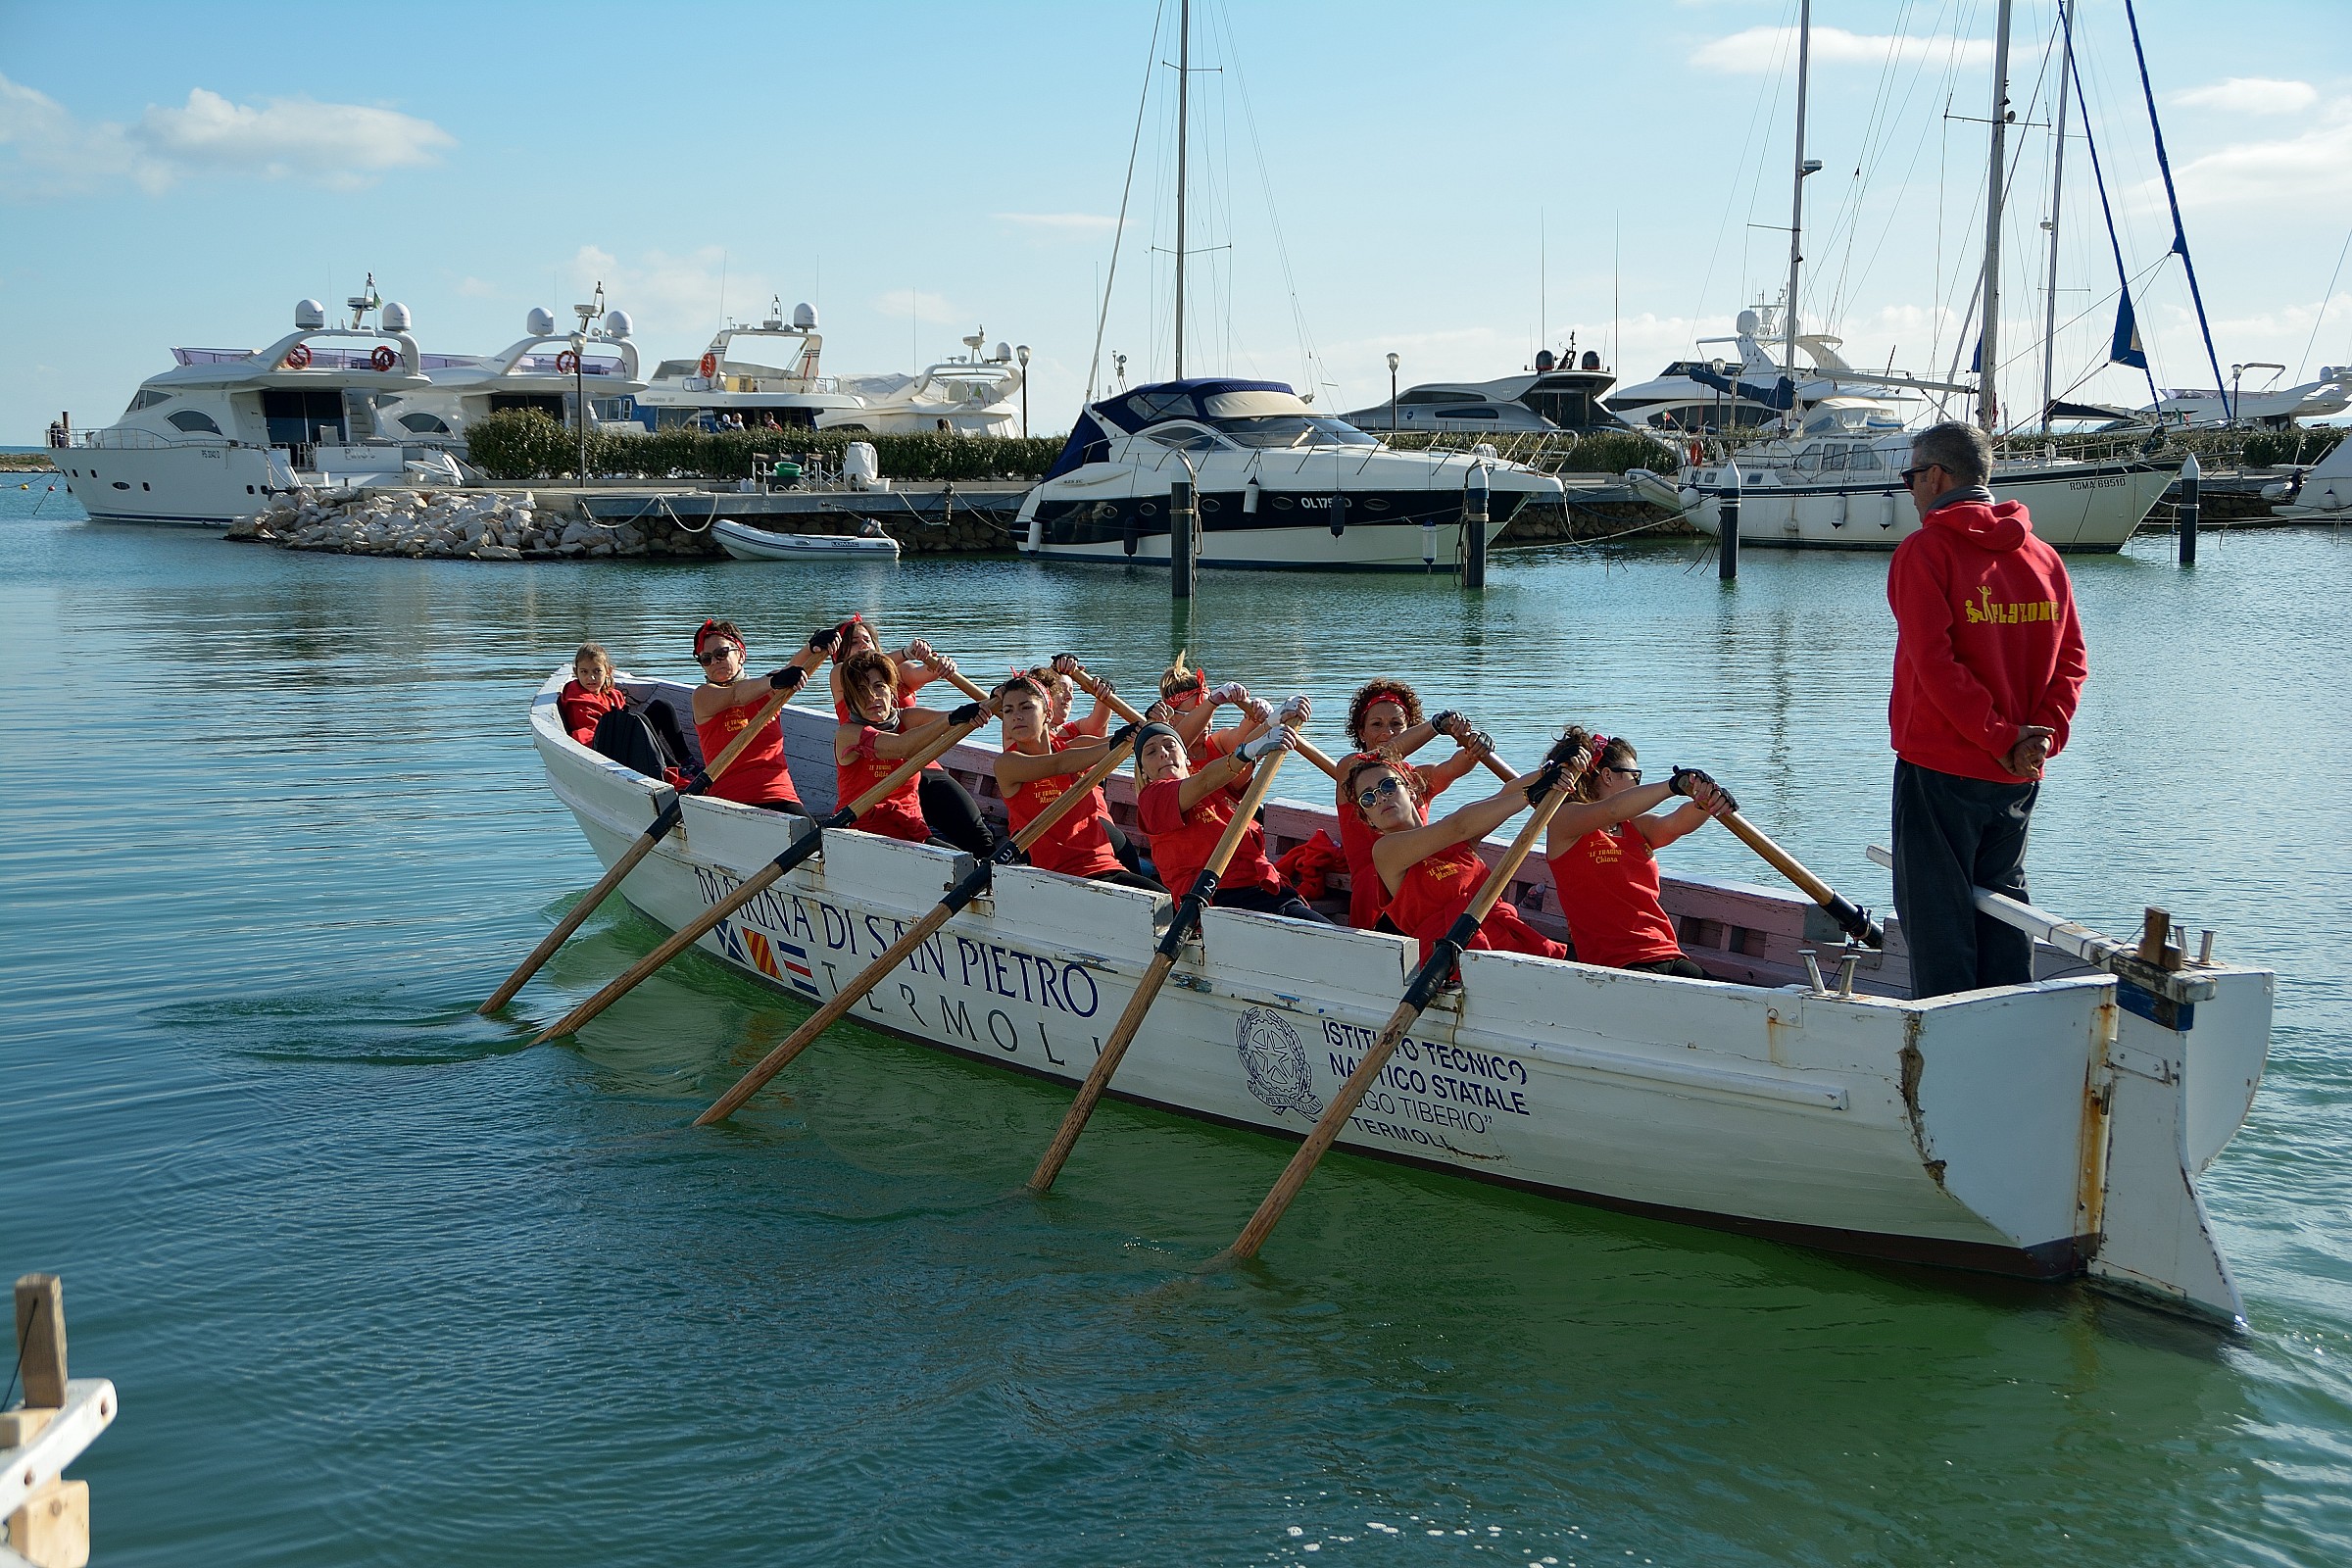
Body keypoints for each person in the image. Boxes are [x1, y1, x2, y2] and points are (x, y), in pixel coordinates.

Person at [1887, 421, 2087, 999]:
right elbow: (2071, 660)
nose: (1911, 490)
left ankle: (1950, 1046)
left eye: (1910, 476)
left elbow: (1935, 664)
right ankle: (2013, 1020)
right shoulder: (2043, 557)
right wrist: (2040, 739)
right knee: (2003, 903)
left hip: (1942, 764)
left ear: (1935, 476)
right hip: (2017, 773)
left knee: (1936, 916)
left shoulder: (1925, 552)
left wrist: (2001, 737)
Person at [1543, 730, 1734, 978]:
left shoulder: (1636, 827)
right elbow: (1612, 809)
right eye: (1636, 776)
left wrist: (1706, 801)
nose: (1638, 784)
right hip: (1618, 965)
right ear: (1608, 776)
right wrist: (1672, 786)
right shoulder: (1563, 822)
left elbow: (1676, 824)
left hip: (1667, 954)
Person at [1348, 755, 1567, 963]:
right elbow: (1458, 826)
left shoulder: (1455, 835)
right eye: (1368, 798)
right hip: (1449, 962)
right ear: (1368, 819)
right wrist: (1529, 795)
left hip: (1509, 946)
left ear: (1411, 790)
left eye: (1388, 786)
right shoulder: (1386, 852)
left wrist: (1553, 769)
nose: (1381, 798)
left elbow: (1504, 794)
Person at [1133, 708, 1329, 922]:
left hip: (1266, 889)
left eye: (1170, 746)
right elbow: (1209, 777)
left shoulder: (1216, 782)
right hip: (1213, 900)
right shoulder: (1152, 797)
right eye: (1151, 752)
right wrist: (1248, 751)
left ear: (1186, 757)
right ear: (1143, 772)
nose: (1162, 753)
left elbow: (1231, 764)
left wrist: (1273, 722)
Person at [1336, 679, 1496, 930]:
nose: (1387, 733)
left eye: (1397, 724)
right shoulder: (1350, 772)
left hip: (1426, 897)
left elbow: (1454, 767)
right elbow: (1386, 753)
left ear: (1409, 728)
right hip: (1378, 905)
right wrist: (1435, 726)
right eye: (1377, 725)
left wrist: (1475, 746)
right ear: (1361, 733)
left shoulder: (1416, 779)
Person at [994, 675, 1161, 890]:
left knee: (1175, 911)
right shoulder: (1008, 764)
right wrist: (1116, 742)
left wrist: (1149, 724)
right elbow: (1059, 764)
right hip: (1060, 877)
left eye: (1025, 708)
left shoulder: (1074, 748)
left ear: (1048, 714)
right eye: (1008, 711)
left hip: (1105, 867)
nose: (1016, 716)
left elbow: (1122, 741)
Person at [833, 649, 996, 858]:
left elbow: (953, 715)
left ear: (892, 691)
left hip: (914, 833)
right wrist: (952, 719)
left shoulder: (906, 719)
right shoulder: (848, 733)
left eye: (878, 686)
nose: (872, 697)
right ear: (850, 700)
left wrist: (997, 699)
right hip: (864, 834)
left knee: (974, 855)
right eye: (861, 691)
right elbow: (903, 746)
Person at [688, 619, 833, 815]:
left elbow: (794, 668)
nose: (714, 662)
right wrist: (775, 680)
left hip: (778, 794)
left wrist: (813, 646)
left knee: (814, 839)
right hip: (728, 799)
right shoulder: (703, 696)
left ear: (741, 654)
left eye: (721, 654)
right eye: (706, 659)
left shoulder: (768, 688)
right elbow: (736, 696)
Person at [559, 642, 627, 745]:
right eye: (584, 672)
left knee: (657, 707)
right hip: (605, 746)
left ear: (608, 671)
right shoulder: (578, 702)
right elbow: (589, 735)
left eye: (597, 671)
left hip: (620, 738)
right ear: (576, 672)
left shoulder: (613, 695)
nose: (591, 678)